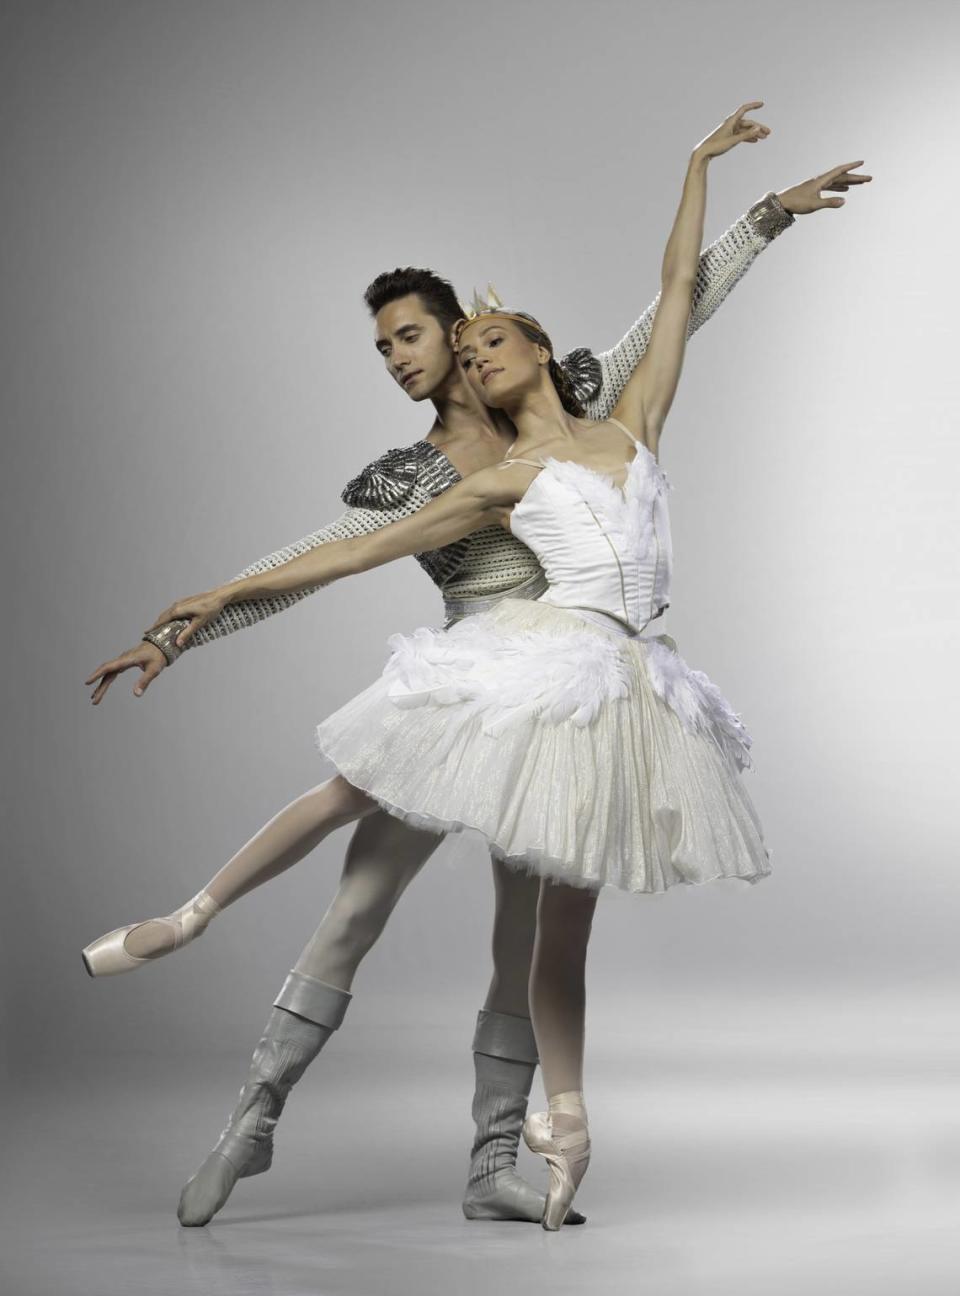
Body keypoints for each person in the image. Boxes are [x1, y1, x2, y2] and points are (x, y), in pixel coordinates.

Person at [83, 111, 869, 1227]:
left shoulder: (587, 407)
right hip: (475, 687)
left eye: (414, 335)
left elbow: (680, 305)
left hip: (576, 703)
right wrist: (179, 629)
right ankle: (251, 1117)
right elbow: (323, 560)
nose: (403, 358)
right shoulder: (423, 474)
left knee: (523, 937)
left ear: (479, 335)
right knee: (357, 907)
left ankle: (495, 1157)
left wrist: (761, 211)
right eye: (388, 347)